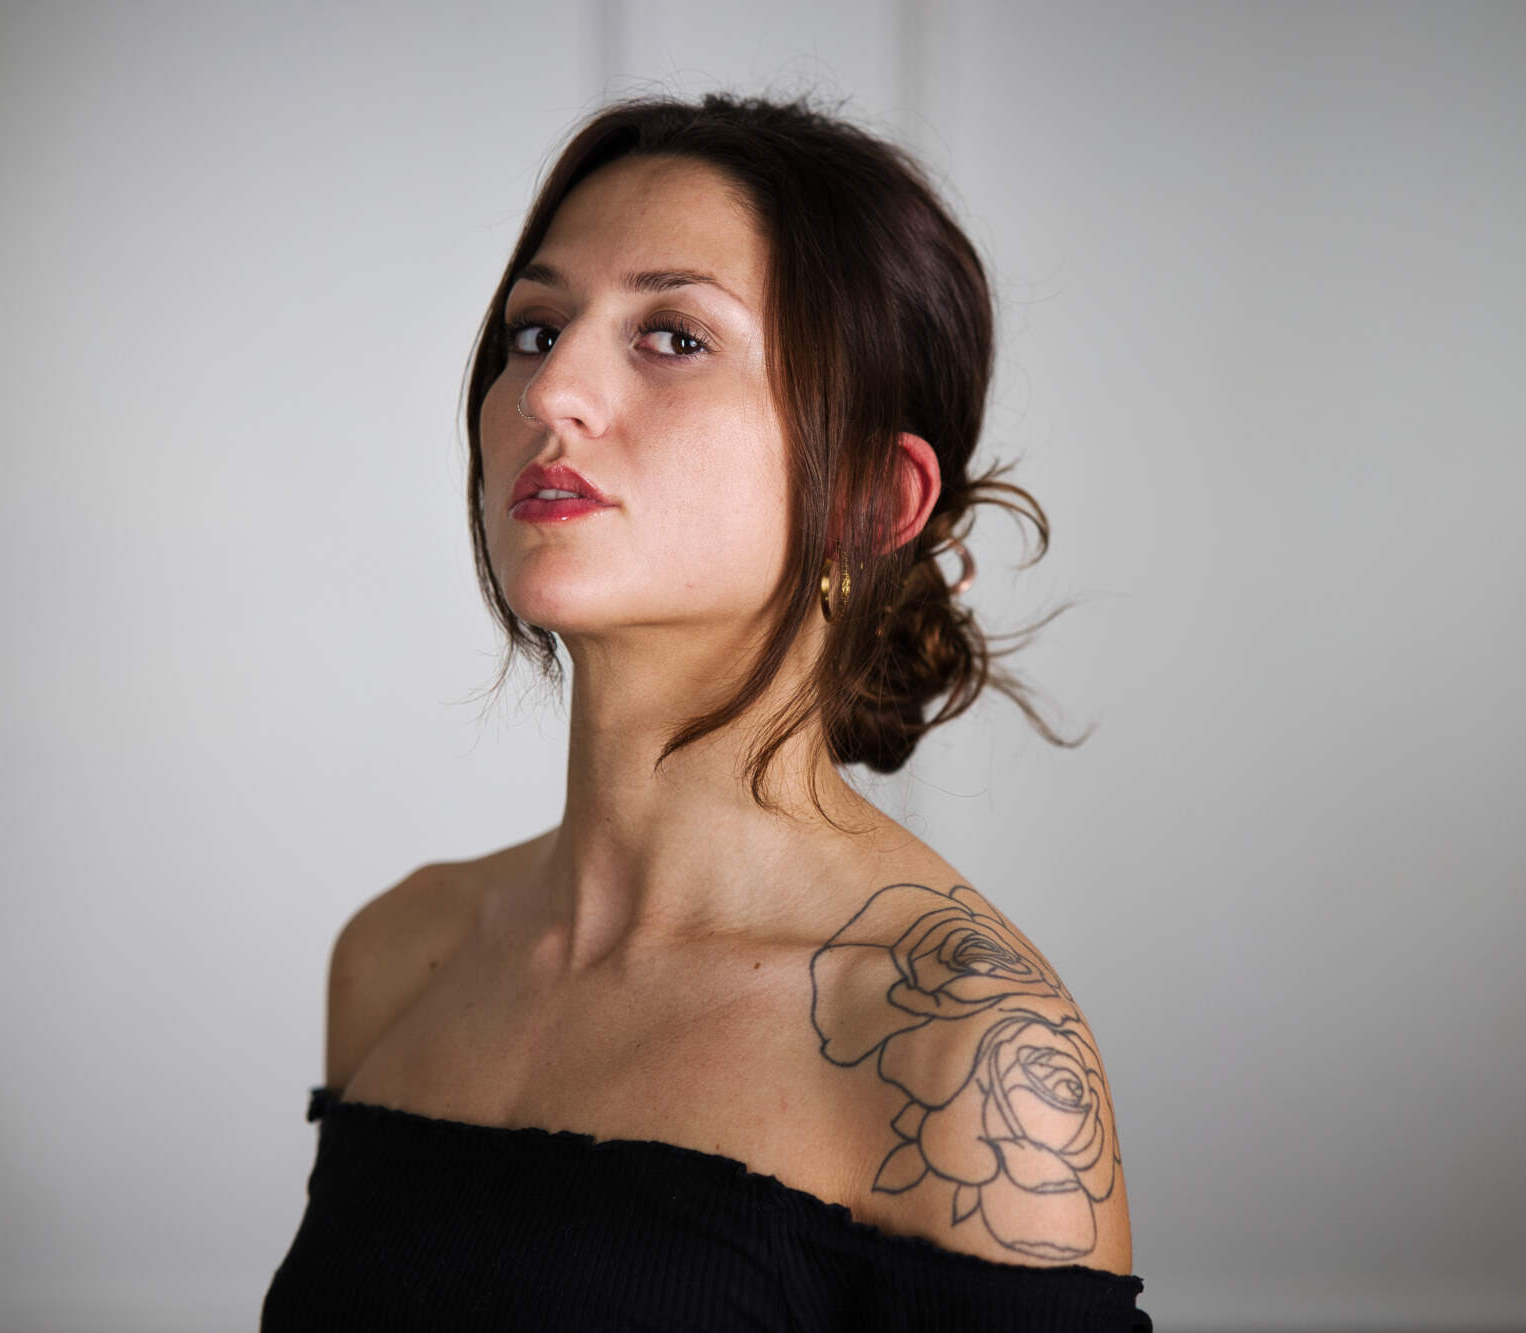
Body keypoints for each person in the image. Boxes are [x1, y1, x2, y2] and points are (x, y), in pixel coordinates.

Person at [262, 90, 1150, 1331]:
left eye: (673, 337)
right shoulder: (399, 953)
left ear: (868, 496)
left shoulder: (966, 1055)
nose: (550, 392)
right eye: (534, 330)